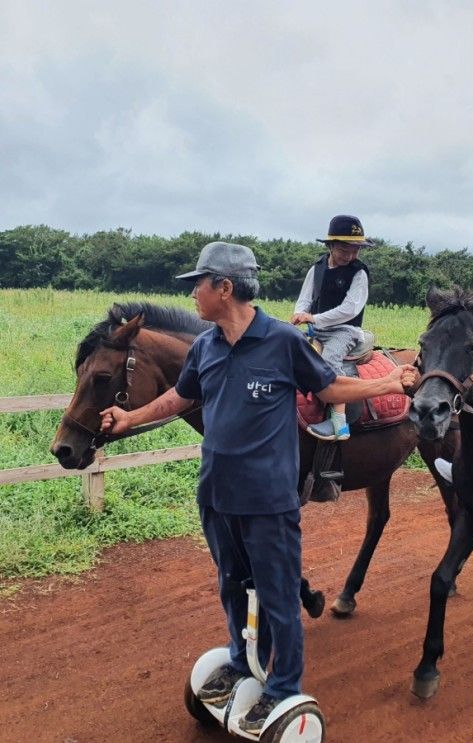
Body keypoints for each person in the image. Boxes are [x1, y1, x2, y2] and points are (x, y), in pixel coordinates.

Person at [99, 241, 415, 735]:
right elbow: (179, 398)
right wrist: (128, 417)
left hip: (268, 498)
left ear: (224, 289)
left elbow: (329, 388)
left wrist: (389, 384)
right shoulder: (205, 346)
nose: (193, 295)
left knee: (277, 594)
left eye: (198, 285)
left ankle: (283, 686)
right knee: (232, 585)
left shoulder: (282, 341)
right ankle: (241, 662)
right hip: (216, 493)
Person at [290, 214, 373, 441]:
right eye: (345, 250)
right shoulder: (316, 269)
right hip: (318, 331)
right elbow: (305, 298)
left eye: (356, 250)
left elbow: (350, 309)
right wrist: (299, 314)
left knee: (329, 361)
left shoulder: (359, 273)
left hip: (345, 331)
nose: (351, 255)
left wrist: (314, 319)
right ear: (331, 245)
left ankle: (339, 423)